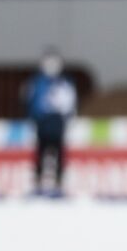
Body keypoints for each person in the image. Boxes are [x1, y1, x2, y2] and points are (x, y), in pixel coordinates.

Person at [20, 48, 78, 194]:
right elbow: (30, 101)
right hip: (42, 125)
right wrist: (34, 117)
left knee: (58, 154)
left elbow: (70, 103)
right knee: (40, 153)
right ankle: (38, 181)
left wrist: (68, 117)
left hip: (58, 125)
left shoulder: (65, 82)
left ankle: (59, 182)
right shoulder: (37, 81)